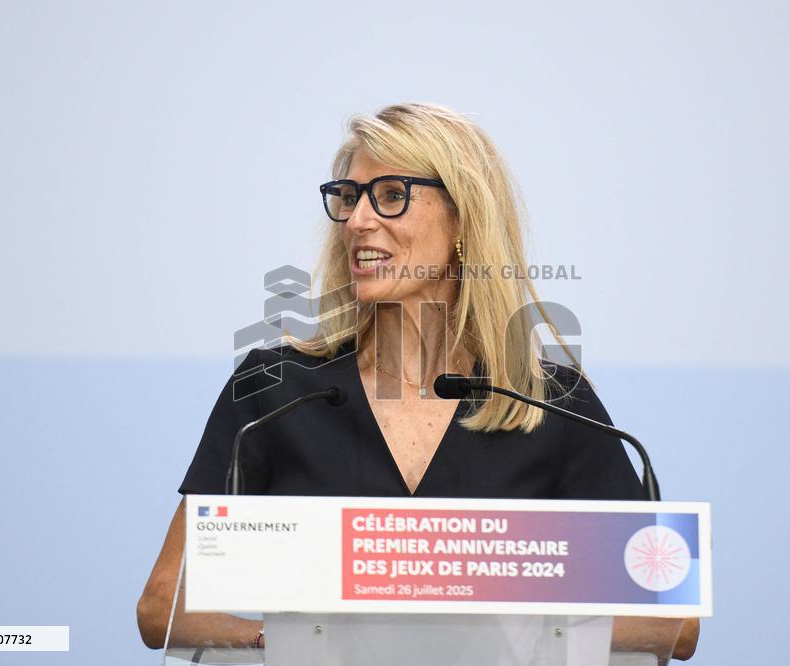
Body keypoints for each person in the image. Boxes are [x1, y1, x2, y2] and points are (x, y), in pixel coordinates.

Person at [137, 102, 698, 659]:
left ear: (463, 219)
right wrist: (283, 642)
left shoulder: (549, 403)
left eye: (391, 195)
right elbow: (164, 604)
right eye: (349, 197)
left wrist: (496, 635)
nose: (358, 220)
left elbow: (671, 621)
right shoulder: (275, 389)